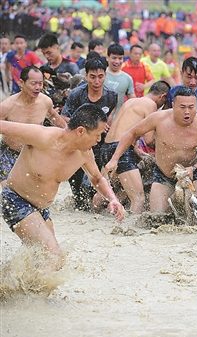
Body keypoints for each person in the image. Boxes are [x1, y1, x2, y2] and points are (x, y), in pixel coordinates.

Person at [0, 103, 124, 268]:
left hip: (41, 210)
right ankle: (30, 294)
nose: (99, 140)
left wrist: (112, 198)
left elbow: (97, 178)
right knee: (53, 256)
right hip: (16, 200)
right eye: (97, 135)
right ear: (80, 131)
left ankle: (8, 289)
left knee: (36, 260)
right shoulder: (42, 137)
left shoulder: (84, 153)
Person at [104, 86, 197, 213]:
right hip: (163, 176)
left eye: (191, 107)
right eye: (182, 107)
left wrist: (194, 168)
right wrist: (114, 159)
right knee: (157, 217)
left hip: (191, 175)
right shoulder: (159, 119)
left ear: (196, 105)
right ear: (173, 105)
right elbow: (131, 133)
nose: (187, 112)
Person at [96, 81, 170, 214]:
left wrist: (137, 151)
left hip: (106, 147)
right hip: (121, 150)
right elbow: (149, 140)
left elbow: (124, 130)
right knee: (138, 198)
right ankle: (129, 230)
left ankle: (93, 216)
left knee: (112, 193)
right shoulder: (151, 105)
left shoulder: (131, 101)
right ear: (162, 97)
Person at [61, 57, 118, 210]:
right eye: (92, 77)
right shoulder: (77, 94)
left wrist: (107, 124)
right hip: (78, 144)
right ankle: (79, 205)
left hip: (100, 145)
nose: (96, 81)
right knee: (76, 184)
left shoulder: (112, 95)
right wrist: (86, 127)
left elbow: (110, 116)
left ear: (105, 75)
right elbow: (64, 117)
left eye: (100, 76)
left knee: (92, 181)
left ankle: (94, 206)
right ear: (86, 76)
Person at [0, 66, 67, 186]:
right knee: (9, 189)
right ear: (21, 83)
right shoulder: (7, 107)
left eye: (40, 84)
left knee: (36, 191)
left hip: (34, 153)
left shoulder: (45, 102)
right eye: (33, 83)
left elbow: (56, 119)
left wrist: (70, 135)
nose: (38, 88)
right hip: (9, 153)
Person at [104, 43, 135, 118]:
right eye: (114, 58)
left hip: (118, 121)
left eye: (120, 58)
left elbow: (133, 101)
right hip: (98, 121)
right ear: (107, 58)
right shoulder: (100, 75)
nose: (117, 62)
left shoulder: (127, 78)